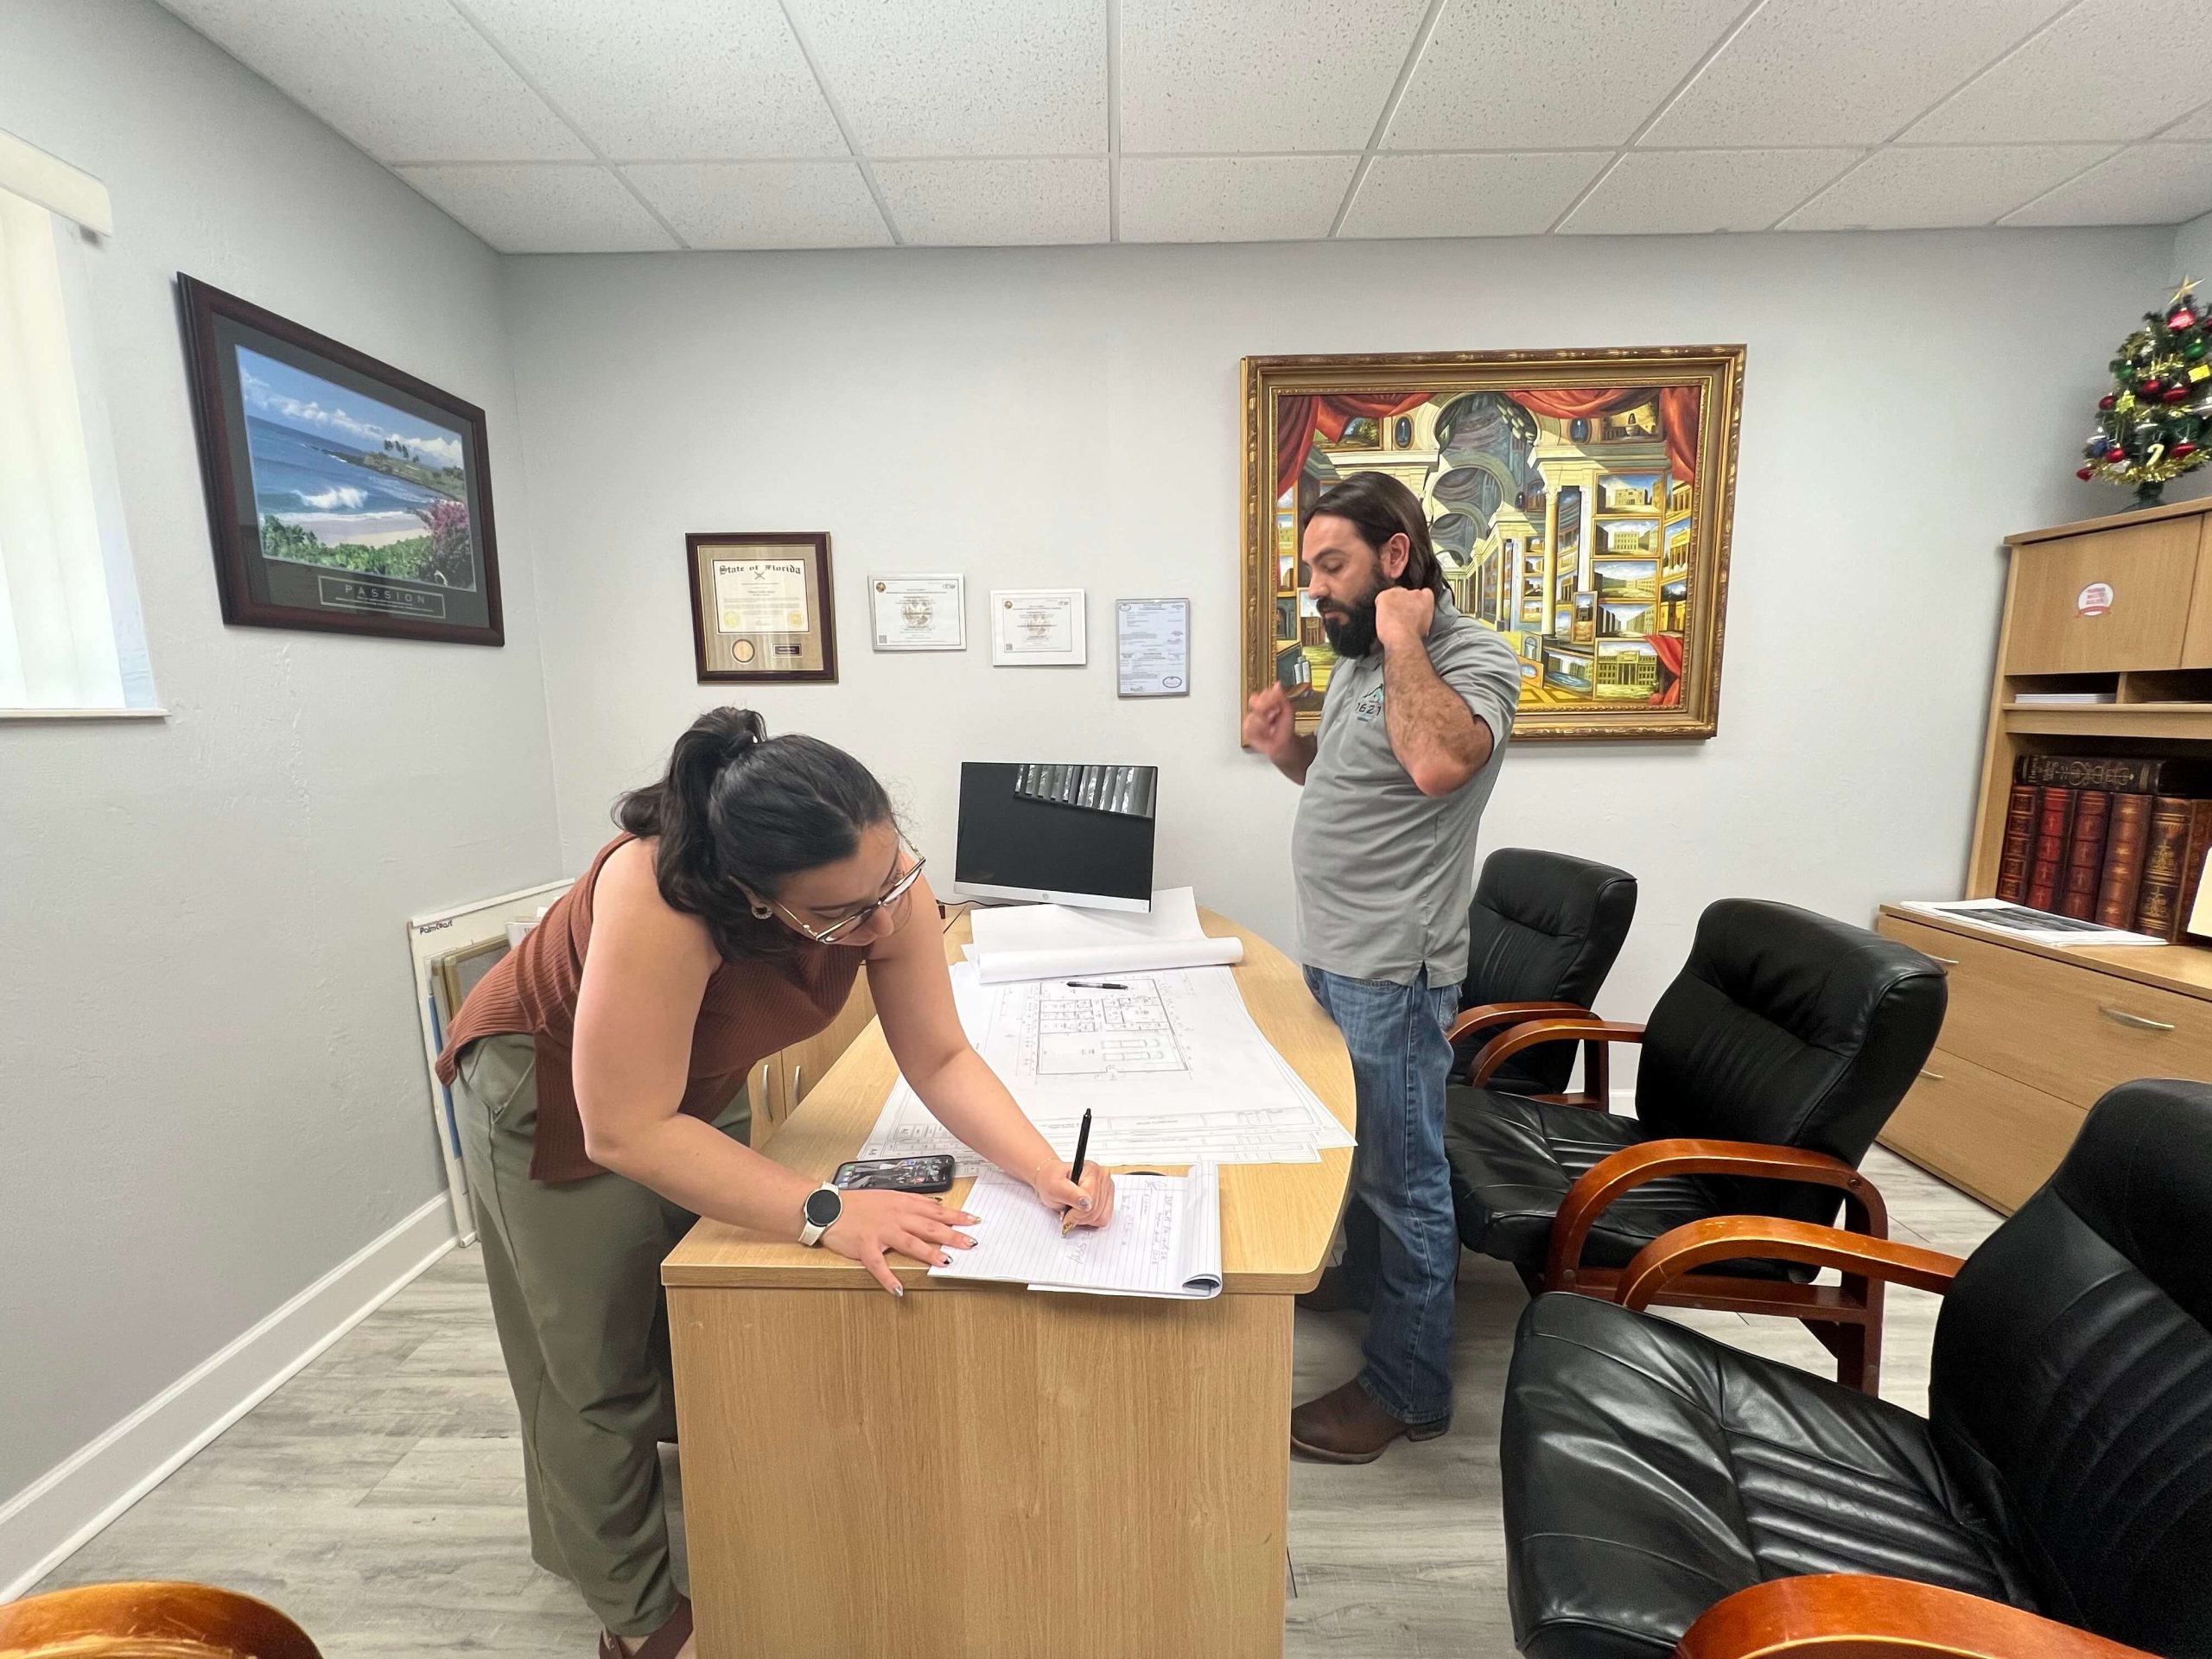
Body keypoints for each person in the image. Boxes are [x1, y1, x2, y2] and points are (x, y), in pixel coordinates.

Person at [434, 709, 1116, 1659]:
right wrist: (825, 1211)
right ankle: (635, 1614)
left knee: (695, 1295)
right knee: (589, 1364)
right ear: (752, 900)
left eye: (893, 882)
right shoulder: (661, 896)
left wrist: (1041, 1164)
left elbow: (939, 1053)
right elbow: (624, 1125)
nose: (883, 924)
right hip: (547, 1088)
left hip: (692, 1076)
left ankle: (705, 1489)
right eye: (844, 915)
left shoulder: (873, 878)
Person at [1243, 470, 1521, 1464]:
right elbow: (1354, 781)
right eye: (1308, 569)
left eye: (1333, 566)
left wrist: (1406, 635)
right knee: (1358, 1152)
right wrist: (1287, 752)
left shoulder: (1468, 657)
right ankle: (1367, 1292)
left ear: (1395, 557)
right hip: (1336, 955)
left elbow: (1438, 764)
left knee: (1406, 1183)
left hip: (1394, 971)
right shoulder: (1360, 664)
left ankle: (1408, 1390)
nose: (1315, 589)